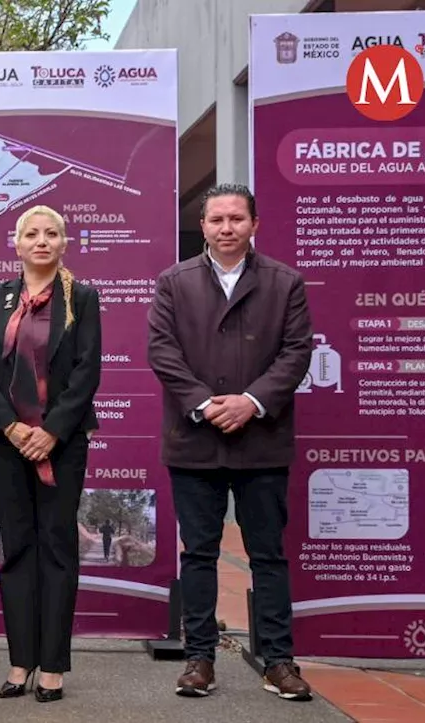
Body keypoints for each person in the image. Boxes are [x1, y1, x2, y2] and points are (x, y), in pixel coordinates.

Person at [147, 183, 314, 701]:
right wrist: (206, 404)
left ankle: (279, 661)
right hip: (194, 438)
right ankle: (200, 658)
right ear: (203, 226)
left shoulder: (286, 283)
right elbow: (162, 350)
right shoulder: (174, 282)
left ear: (254, 225)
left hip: (261, 439)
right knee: (198, 554)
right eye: (217, 219)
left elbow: (296, 353)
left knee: (268, 555)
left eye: (236, 219)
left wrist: (251, 402)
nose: (226, 228)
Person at [0, 204, 101, 703]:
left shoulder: (81, 298)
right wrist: (11, 428)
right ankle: (20, 661)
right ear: (17, 243)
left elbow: (87, 372)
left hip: (61, 446)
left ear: (64, 243)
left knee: (58, 549)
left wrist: (52, 432)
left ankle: (52, 666)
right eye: (31, 233)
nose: (41, 241)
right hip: (8, 446)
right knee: (18, 548)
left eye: (51, 234)